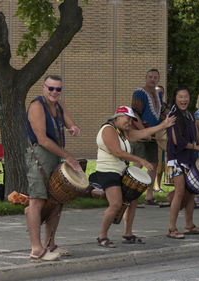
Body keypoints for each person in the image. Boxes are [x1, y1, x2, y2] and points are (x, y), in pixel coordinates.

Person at [95, 106, 175, 248]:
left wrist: (163, 125)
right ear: (118, 116)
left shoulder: (124, 132)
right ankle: (102, 236)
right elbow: (117, 152)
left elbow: (143, 132)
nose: (129, 122)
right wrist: (141, 160)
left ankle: (128, 234)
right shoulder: (108, 129)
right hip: (107, 171)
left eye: (131, 120)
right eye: (127, 118)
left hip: (120, 170)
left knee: (133, 199)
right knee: (116, 204)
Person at [25, 74, 82, 262]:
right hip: (39, 155)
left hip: (55, 155)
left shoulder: (59, 105)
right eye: (51, 88)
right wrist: (68, 156)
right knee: (37, 201)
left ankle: (50, 244)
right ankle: (36, 249)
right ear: (44, 87)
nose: (54, 92)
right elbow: (41, 139)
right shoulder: (36, 106)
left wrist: (73, 128)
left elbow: (69, 122)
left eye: (58, 89)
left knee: (57, 200)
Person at [167, 86, 199, 239]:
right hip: (176, 159)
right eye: (180, 97)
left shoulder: (190, 115)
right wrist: (198, 146)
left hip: (189, 158)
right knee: (180, 192)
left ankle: (189, 225)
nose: (183, 99)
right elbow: (178, 142)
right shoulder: (173, 115)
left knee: (190, 193)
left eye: (186, 97)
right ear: (175, 99)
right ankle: (172, 228)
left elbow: (197, 137)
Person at [131, 69, 164, 205]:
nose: (152, 79)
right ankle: (133, 196)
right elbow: (135, 114)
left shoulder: (158, 94)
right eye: (150, 77)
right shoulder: (139, 93)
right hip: (141, 134)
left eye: (155, 77)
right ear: (145, 78)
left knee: (153, 165)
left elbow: (161, 112)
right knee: (137, 164)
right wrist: (143, 131)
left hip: (153, 135)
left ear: (158, 79)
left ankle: (149, 196)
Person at [154, 85, 167, 192]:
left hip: (163, 137)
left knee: (162, 162)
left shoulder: (164, 106)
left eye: (161, 93)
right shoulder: (151, 105)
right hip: (153, 137)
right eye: (157, 92)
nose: (159, 95)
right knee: (155, 163)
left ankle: (158, 185)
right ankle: (153, 186)